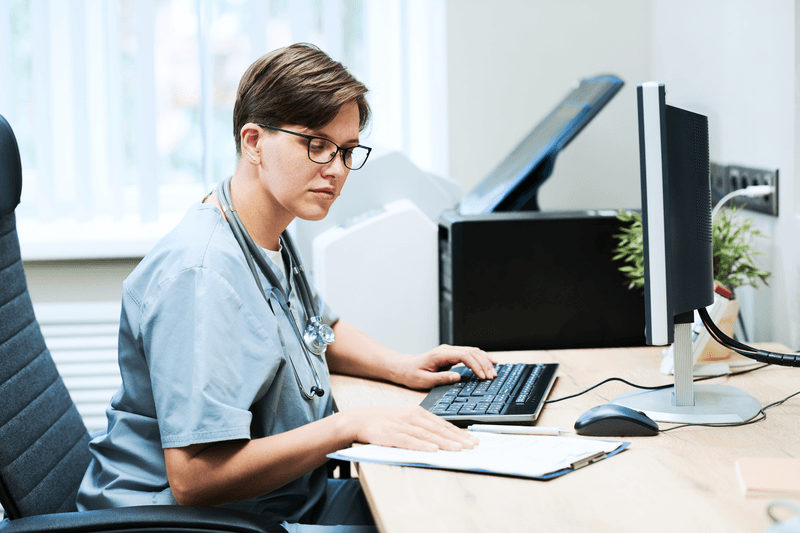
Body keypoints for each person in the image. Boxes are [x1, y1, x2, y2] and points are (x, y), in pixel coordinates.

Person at [76, 43, 497, 532]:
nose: (336, 169)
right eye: (316, 144)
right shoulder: (202, 275)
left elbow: (315, 328)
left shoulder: (264, 229)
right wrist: (345, 426)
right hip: (179, 521)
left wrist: (402, 366)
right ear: (253, 141)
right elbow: (193, 478)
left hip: (277, 501)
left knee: (445, 500)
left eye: (346, 151)